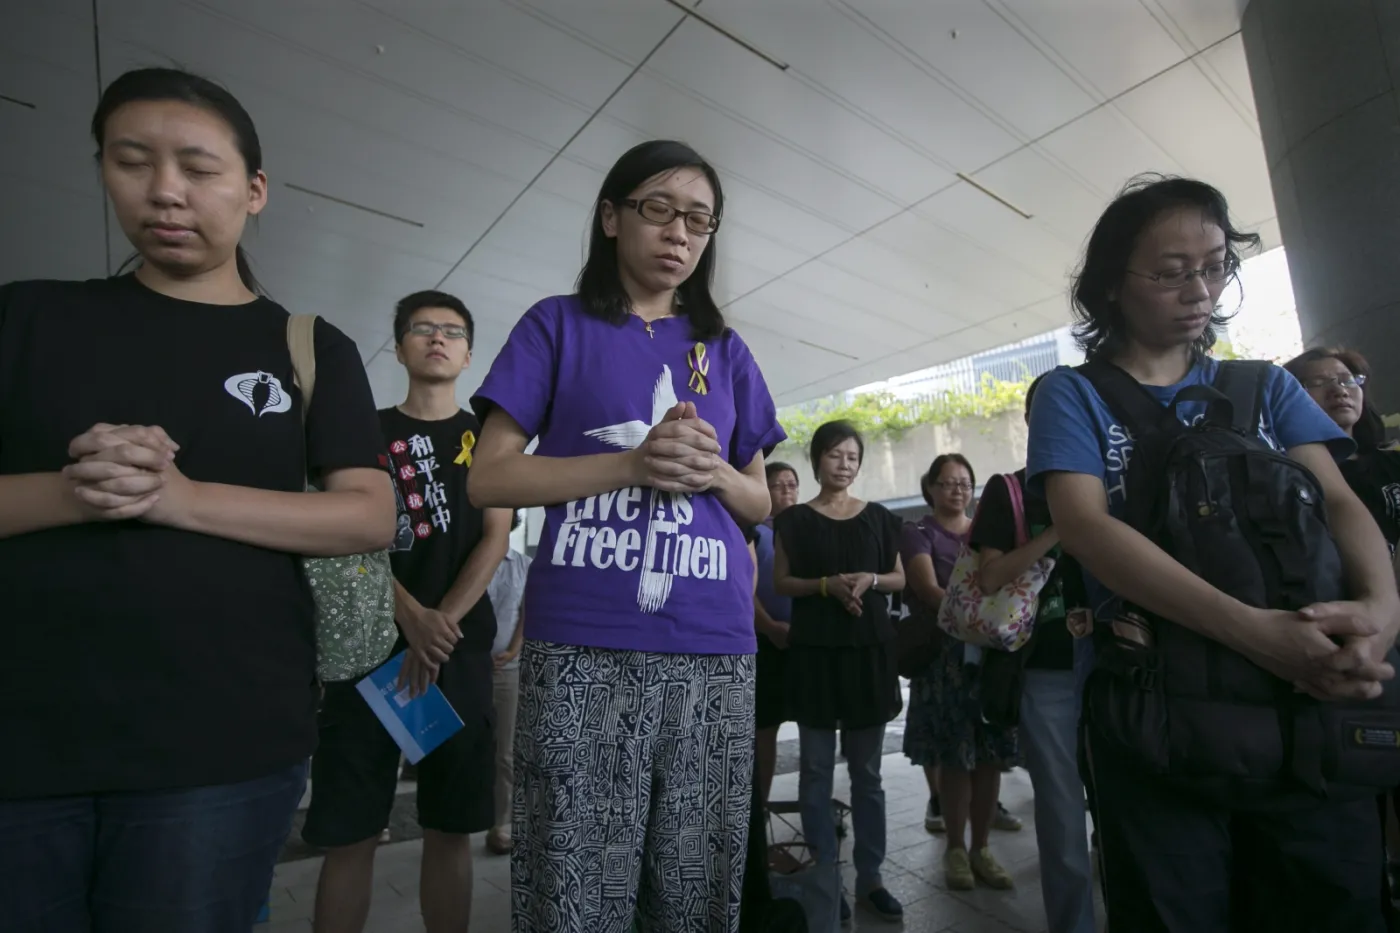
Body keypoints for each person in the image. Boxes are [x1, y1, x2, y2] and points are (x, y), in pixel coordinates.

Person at [0, 67, 395, 931]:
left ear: (254, 191)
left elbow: (368, 512)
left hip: (224, 737)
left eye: (198, 167)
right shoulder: (27, 318)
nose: (166, 190)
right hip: (24, 733)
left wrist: (177, 497)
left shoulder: (308, 346)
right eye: (132, 161)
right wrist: (78, 491)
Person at [1028, 174, 1398, 931]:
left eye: (1215, 265)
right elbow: (1087, 528)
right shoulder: (1072, 395)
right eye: (1169, 272)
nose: (1198, 289)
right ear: (1109, 286)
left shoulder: (1264, 386)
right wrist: (1256, 633)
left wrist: (1381, 615)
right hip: (1159, 717)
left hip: (1304, 712)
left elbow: (1336, 501)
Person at [467, 139, 785, 933]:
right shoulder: (556, 326)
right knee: (575, 882)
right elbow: (491, 477)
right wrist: (631, 463)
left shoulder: (724, 348)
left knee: (696, 880)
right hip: (584, 638)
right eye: (660, 209)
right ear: (611, 216)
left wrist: (710, 471)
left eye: (701, 221)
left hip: (713, 642)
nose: (681, 233)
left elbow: (760, 499)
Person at [306, 290, 511, 933]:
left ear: (469, 352)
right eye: (422, 329)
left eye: (451, 330)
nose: (437, 338)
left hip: (456, 654)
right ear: (398, 347)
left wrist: (440, 625)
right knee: (353, 833)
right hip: (369, 650)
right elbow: (345, 533)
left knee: (450, 828)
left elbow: (495, 536)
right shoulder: (361, 430)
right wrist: (412, 617)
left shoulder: (487, 437)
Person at [971, 375, 1095, 931]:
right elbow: (991, 576)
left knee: (1132, 802)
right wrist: (1058, 532)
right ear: (1030, 419)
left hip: (1122, 663)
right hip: (1047, 669)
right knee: (1063, 810)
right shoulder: (1012, 489)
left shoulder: (1109, 479)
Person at [774, 420, 906, 924]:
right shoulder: (793, 522)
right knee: (813, 771)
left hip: (868, 653)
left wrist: (868, 579)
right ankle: (826, 878)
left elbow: (896, 577)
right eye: (834, 455)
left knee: (868, 774)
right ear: (816, 460)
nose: (844, 464)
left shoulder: (878, 518)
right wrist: (828, 586)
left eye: (852, 456)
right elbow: (783, 582)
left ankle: (870, 877)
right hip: (814, 654)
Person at [901, 454, 1020, 891]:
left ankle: (982, 848)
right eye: (948, 482)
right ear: (930, 487)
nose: (958, 490)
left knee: (991, 756)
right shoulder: (917, 533)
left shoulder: (988, 532)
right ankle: (955, 846)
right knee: (955, 756)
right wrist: (979, 615)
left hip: (990, 657)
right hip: (945, 659)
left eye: (966, 482)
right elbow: (929, 591)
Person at [753, 460, 799, 804]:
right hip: (765, 642)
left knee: (815, 731)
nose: (787, 490)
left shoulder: (808, 528)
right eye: (778, 485)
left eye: (792, 484)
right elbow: (744, 589)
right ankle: (761, 807)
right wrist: (769, 627)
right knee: (763, 731)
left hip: (805, 645)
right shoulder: (751, 529)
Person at [485, 510, 531, 855]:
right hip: (467, 666)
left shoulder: (523, 565)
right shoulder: (469, 560)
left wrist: (515, 647)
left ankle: (501, 824)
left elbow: (527, 611)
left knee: (505, 753)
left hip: (507, 668)